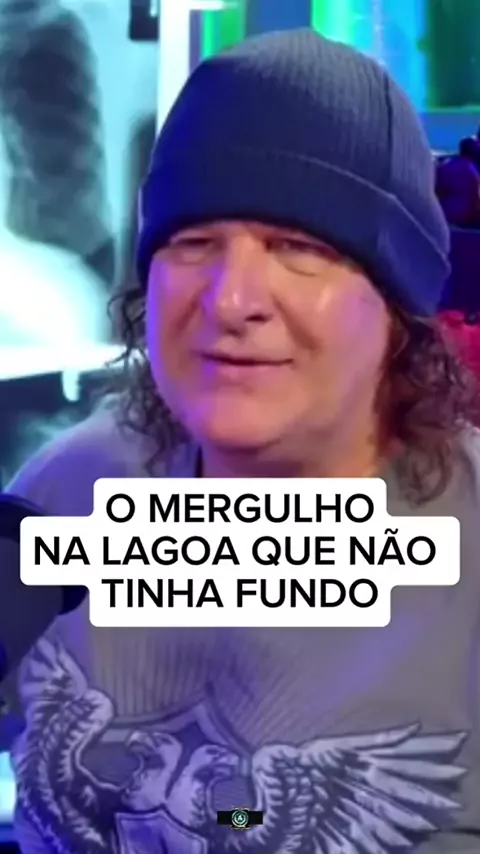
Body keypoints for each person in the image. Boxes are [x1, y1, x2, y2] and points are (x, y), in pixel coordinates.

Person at [5, 27, 480, 854]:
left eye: (299, 248)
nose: (231, 299)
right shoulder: (66, 491)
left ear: (398, 306)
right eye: (194, 243)